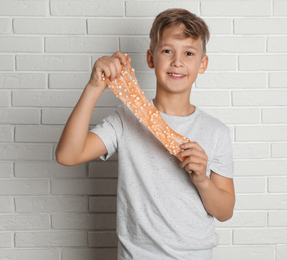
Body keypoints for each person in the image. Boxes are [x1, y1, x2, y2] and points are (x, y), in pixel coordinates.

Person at [56, 8, 235, 260]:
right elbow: (67, 155)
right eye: (167, 51)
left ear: (202, 64)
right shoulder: (125, 119)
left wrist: (202, 180)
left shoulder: (216, 132)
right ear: (151, 59)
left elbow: (225, 211)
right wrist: (95, 86)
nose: (177, 61)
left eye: (189, 53)